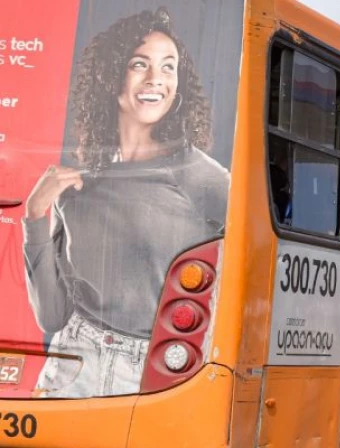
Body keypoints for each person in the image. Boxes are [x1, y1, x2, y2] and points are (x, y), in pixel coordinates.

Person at [23, 8, 229, 398]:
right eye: (140, 64)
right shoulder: (78, 187)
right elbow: (52, 316)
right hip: (70, 369)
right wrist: (35, 217)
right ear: (111, 75)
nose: (157, 80)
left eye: (169, 68)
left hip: (155, 374)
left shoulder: (199, 175)